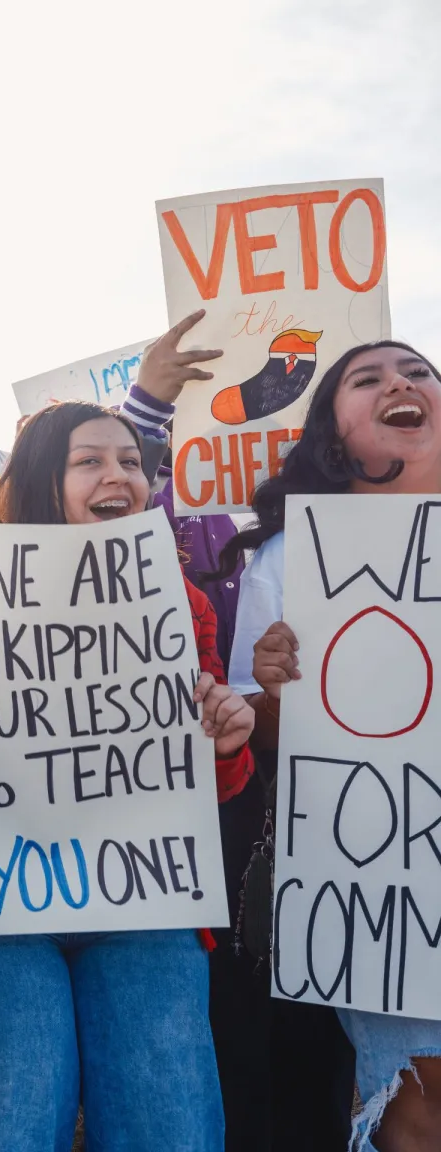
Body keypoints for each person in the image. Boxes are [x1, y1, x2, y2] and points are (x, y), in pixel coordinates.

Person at [0, 400, 255, 1149]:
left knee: (170, 1121)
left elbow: (212, 779)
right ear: (39, 479)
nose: (117, 475)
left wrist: (224, 743)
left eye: (130, 462)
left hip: (146, 896)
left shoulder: (180, 600)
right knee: (8, 1119)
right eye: (88, 461)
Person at [123, 313, 356, 1151]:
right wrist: (149, 405)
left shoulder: (301, 538)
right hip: (236, 816)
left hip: (342, 812)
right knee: (255, 1035)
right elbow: (108, 508)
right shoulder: (200, 537)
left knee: (333, 1047)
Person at [221, 340, 441, 1152]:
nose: (403, 383)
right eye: (371, 377)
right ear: (333, 432)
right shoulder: (289, 558)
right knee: (421, 1091)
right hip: (388, 867)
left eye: (419, 372)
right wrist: (280, 693)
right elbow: (258, 730)